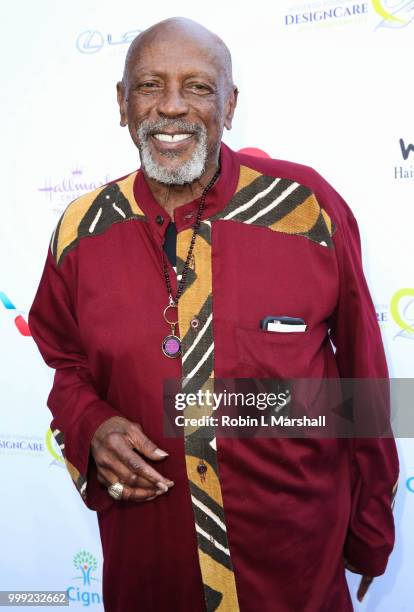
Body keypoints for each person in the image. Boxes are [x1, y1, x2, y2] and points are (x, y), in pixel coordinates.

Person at [28, 17, 399, 612]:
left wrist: (372, 530)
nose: (172, 107)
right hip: (151, 570)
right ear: (122, 104)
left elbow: (366, 383)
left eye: (198, 87)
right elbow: (65, 363)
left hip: (292, 572)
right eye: (150, 85)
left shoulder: (308, 209)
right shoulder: (81, 231)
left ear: (230, 105)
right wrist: (91, 423)